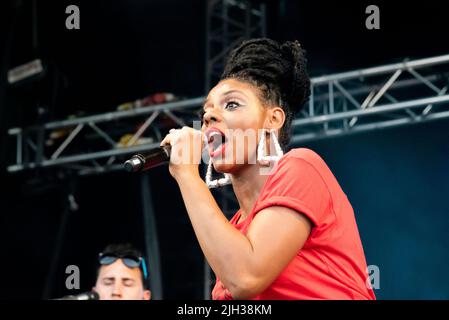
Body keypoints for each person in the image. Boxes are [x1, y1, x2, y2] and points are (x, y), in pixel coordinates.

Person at [160, 38, 376, 300]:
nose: (208, 117)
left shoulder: (302, 167)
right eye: (206, 111)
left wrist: (186, 174)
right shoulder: (233, 234)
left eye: (231, 104)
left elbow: (246, 277)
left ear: (273, 119)